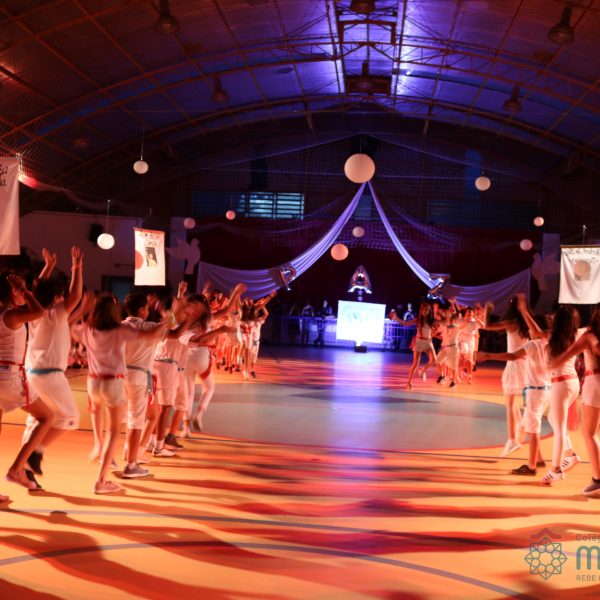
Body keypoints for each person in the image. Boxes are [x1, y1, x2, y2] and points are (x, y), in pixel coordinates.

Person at [72, 294, 166, 493]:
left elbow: (68, 326)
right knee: (114, 433)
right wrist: (168, 319)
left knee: (99, 418)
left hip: (93, 382)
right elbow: (151, 334)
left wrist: (81, 311)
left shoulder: (88, 329)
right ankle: (101, 481)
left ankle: (98, 446)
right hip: (113, 382)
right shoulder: (120, 330)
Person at [21, 247, 84, 490]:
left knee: (36, 422)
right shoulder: (56, 313)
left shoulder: (34, 312)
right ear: (57, 297)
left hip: (31, 373)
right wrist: (76, 267)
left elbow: (38, 289)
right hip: (50, 376)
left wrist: (48, 267)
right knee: (69, 417)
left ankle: (25, 470)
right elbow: (75, 295)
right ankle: (35, 453)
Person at [0, 272, 53, 500]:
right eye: (20, 290)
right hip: (8, 377)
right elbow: (39, 312)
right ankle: (16, 468)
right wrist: (27, 291)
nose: (23, 293)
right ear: (13, 291)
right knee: (46, 417)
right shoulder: (10, 315)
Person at [478, 309, 551, 477]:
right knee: (530, 424)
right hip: (543, 386)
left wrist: (488, 355)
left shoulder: (530, 342)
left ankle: (527, 459)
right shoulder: (549, 343)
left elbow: (511, 355)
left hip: (533, 386)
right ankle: (538, 458)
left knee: (527, 422)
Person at [549, 304, 600, 497]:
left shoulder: (589, 336)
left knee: (589, 434)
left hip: (595, 383)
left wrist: (551, 364)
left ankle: (597, 480)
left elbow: (566, 355)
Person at [122, 292, 166, 477]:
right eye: (147, 308)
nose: (148, 310)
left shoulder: (120, 326)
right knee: (137, 419)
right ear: (141, 310)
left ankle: (130, 451)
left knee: (134, 416)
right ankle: (132, 463)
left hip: (123, 376)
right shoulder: (149, 326)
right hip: (140, 377)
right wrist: (172, 314)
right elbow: (173, 330)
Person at [482, 297, 530, 457]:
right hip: (526, 364)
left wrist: (487, 310)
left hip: (514, 364)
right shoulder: (528, 324)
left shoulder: (511, 323)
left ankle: (512, 440)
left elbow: (487, 326)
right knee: (513, 401)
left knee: (509, 403)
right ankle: (518, 428)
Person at [389, 303, 437, 390]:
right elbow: (405, 323)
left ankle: (423, 370)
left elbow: (442, 323)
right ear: (421, 310)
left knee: (433, 360)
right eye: (423, 309)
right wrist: (396, 318)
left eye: (427, 310)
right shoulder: (417, 320)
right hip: (419, 341)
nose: (425, 311)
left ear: (429, 311)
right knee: (415, 363)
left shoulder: (431, 320)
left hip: (428, 342)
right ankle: (409, 382)